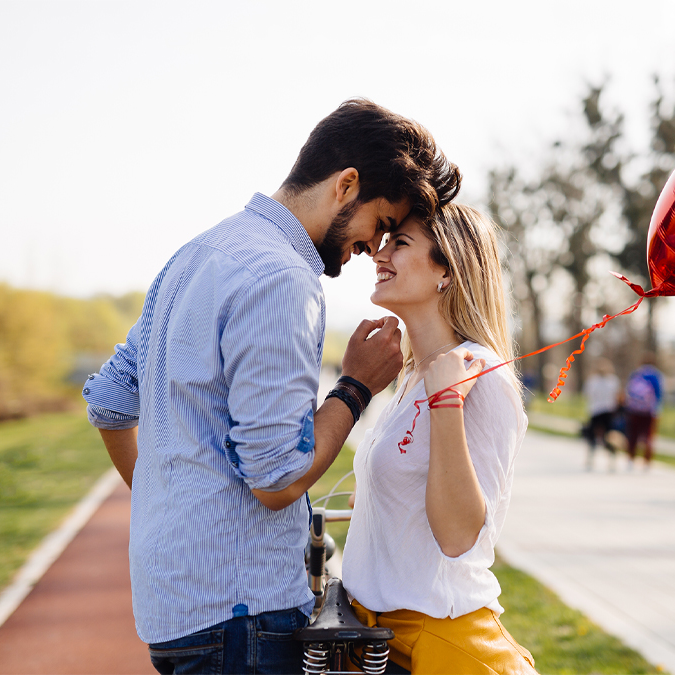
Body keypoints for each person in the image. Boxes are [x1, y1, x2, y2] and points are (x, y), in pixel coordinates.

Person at [81, 99, 461, 674]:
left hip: (173, 612)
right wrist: (356, 387)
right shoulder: (282, 277)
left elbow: (110, 404)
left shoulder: (195, 255)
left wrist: (175, 511)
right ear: (347, 184)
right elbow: (277, 478)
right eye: (379, 224)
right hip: (243, 619)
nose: (370, 249)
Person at [342, 204, 537, 674]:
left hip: (440, 643)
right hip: (380, 639)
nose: (379, 255)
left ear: (445, 271)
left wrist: (446, 403)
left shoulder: (481, 375)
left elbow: (457, 536)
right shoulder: (411, 373)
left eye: (400, 244)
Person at [622, 352, 664, 469]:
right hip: (649, 411)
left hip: (634, 410)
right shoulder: (656, 376)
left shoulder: (636, 373)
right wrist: (657, 410)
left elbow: (628, 391)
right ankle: (647, 460)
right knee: (648, 436)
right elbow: (659, 395)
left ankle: (631, 458)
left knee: (633, 434)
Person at [582, 358, 621, 471]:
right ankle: (610, 459)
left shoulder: (594, 381)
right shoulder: (612, 381)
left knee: (598, 435)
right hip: (605, 410)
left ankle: (594, 458)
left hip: (597, 410)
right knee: (607, 436)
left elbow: (587, 394)